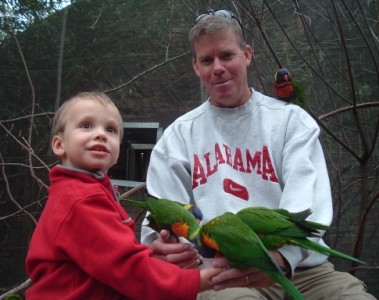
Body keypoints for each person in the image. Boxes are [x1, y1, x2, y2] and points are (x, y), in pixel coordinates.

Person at [141, 9, 376, 300]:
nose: (217, 67)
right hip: (225, 272)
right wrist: (160, 245)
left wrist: (280, 258)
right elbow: (161, 216)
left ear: (247, 55)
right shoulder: (178, 137)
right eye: (206, 60)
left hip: (303, 269)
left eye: (227, 55)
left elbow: (308, 203)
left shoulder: (291, 121)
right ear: (195, 67)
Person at [25, 91, 225, 299]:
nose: (100, 134)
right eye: (86, 125)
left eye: (110, 129)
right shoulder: (80, 199)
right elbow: (125, 266)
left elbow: (113, 259)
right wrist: (196, 281)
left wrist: (152, 259)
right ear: (59, 145)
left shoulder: (89, 190)